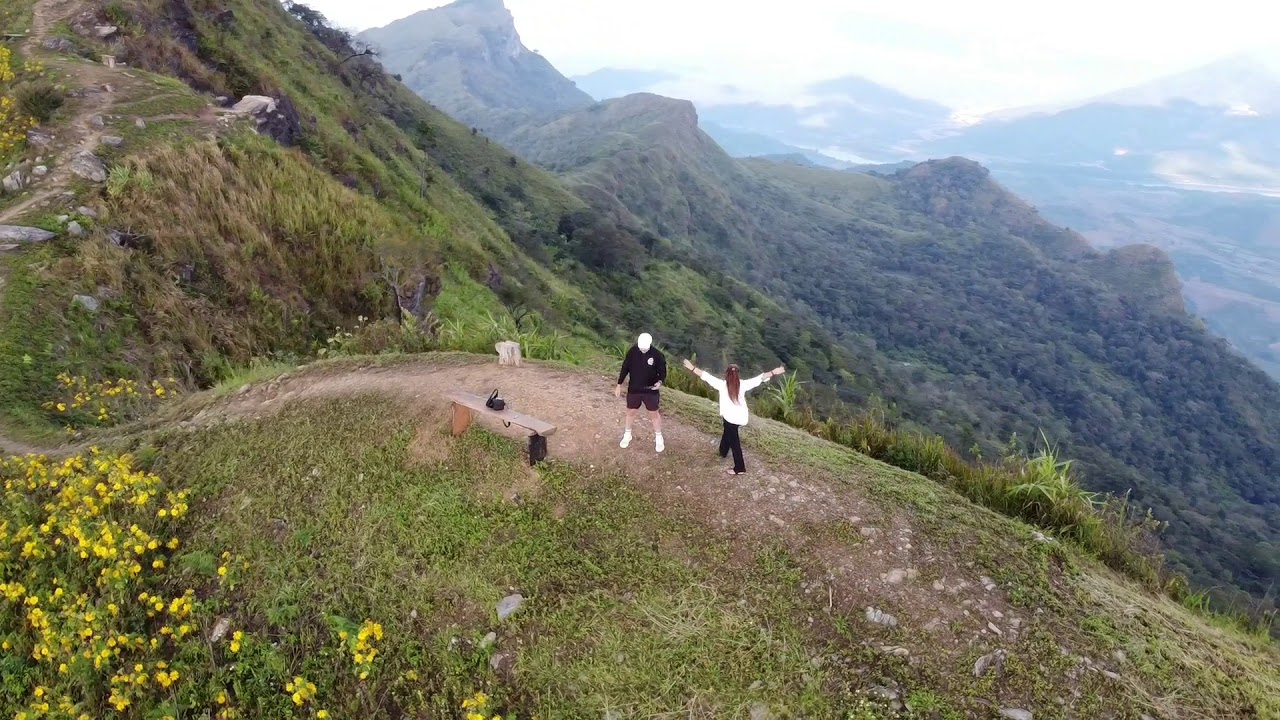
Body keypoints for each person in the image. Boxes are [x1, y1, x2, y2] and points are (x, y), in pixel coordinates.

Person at [682, 358, 785, 475]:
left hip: (730, 418)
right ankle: (723, 451)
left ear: (726, 374)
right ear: (738, 375)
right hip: (740, 417)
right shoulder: (743, 384)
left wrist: (692, 367)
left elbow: (706, 376)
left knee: (734, 442)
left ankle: (739, 468)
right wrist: (773, 372)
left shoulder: (722, 385)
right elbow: (760, 378)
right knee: (728, 431)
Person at [616, 333, 667, 452]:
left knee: (654, 413)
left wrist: (660, 382)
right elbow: (625, 368)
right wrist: (619, 384)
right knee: (631, 412)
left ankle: (659, 437)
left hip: (650, 390)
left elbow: (663, 371)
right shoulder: (632, 352)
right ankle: (627, 434)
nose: (642, 348)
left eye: (644, 347)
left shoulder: (657, 355)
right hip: (634, 389)